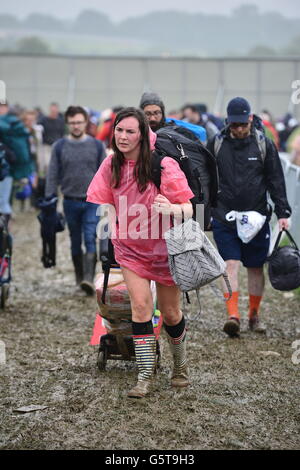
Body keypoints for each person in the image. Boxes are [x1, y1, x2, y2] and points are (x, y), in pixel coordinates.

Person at [87, 107, 194, 398]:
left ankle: (180, 366)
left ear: (142, 136)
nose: (122, 136)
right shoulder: (111, 166)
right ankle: (144, 374)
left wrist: (171, 208)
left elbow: (189, 208)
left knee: (171, 313)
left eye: (130, 131)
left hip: (165, 250)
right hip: (131, 248)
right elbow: (106, 203)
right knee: (141, 307)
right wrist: (117, 224)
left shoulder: (164, 165)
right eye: (119, 130)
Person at [207, 97, 291, 338]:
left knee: (255, 268)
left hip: (257, 218)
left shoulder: (264, 144)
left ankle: (254, 314)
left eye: (243, 124)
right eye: (235, 125)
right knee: (229, 265)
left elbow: (276, 180)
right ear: (228, 123)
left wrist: (283, 211)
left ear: (251, 120)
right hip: (225, 217)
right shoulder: (217, 143)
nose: (240, 129)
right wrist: (205, 211)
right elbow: (207, 179)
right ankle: (233, 315)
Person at [45, 106, 105, 294]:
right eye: (72, 123)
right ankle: (80, 278)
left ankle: (88, 278)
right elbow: (52, 174)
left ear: (86, 123)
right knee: (74, 239)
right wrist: (49, 199)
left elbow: (105, 173)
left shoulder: (96, 146)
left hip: (91, 201)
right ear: (67, 124)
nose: (76, 126)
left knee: (89, 236)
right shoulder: (60, 147)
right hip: (70, 201)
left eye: (79, 122)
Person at [39, 102, 66, 175]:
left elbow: (62, 133)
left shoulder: (61, 121)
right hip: (46, 146)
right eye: (52, 111)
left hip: (57, 146)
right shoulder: (43, 120)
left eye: (55, 111)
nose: (54, 112)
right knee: (47, 165)